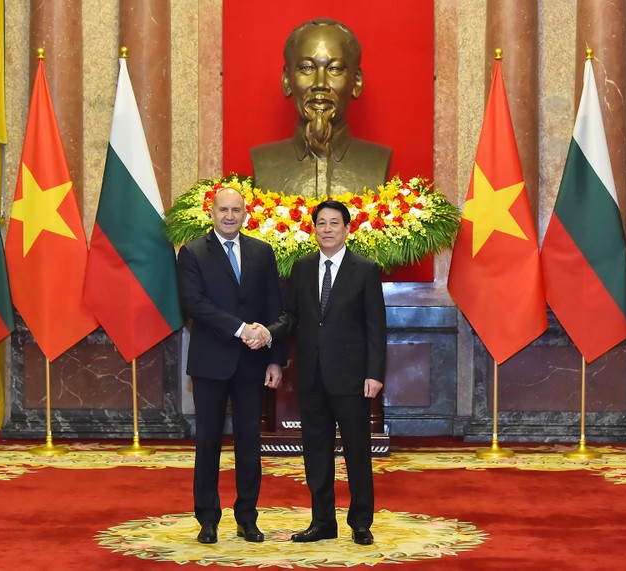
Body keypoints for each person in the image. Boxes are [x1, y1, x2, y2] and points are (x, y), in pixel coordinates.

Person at [262, 200, 387, 545]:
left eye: (335, 223)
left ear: (347, 229)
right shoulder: (301, 268)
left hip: (352, 378)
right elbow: (292, 316)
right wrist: (268, 332)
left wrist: (375, 373)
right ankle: (322, 522)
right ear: (313, 229)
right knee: (315, 452)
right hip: (312, 376)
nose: (328, 229)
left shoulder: (365, 269)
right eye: (321, 223)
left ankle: (361, 522)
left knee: (357, 452)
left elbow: (376, 325)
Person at [176, 187, 284, 544]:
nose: (230, 216)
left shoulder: (262, 252)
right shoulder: (192, 252)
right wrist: (240, 329)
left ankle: (247, 518)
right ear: (212, 212)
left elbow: (273, 307)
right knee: (207, 441)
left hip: (253, 363)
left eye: (236, 210)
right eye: (223, 209)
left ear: (245, 213)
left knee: (249, 443)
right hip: (211, 363)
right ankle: (207, 519)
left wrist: (274, 357)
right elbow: (194, 303)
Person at [250, 18, 391, 197]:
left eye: (335, 69)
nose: (320, 84)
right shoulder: (264, 161)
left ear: (356, 82)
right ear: (287, 80)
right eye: (307, 68)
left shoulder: (377, 161)